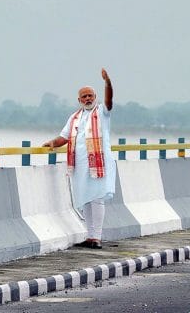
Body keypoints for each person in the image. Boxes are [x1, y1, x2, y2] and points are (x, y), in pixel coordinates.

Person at [42, 68, 116, 249]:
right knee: (85, 199)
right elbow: (64, 137)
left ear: (95, 96)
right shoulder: (74, 117)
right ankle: (90, 236)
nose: (88, 99)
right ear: (79, 100)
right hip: (80, 165)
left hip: (99, 163)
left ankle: (96, 237)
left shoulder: (102, 112)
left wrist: (108, 83)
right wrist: (52, 143)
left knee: (97, 197)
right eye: (84, 97)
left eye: (90, 95)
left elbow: (109, 101)